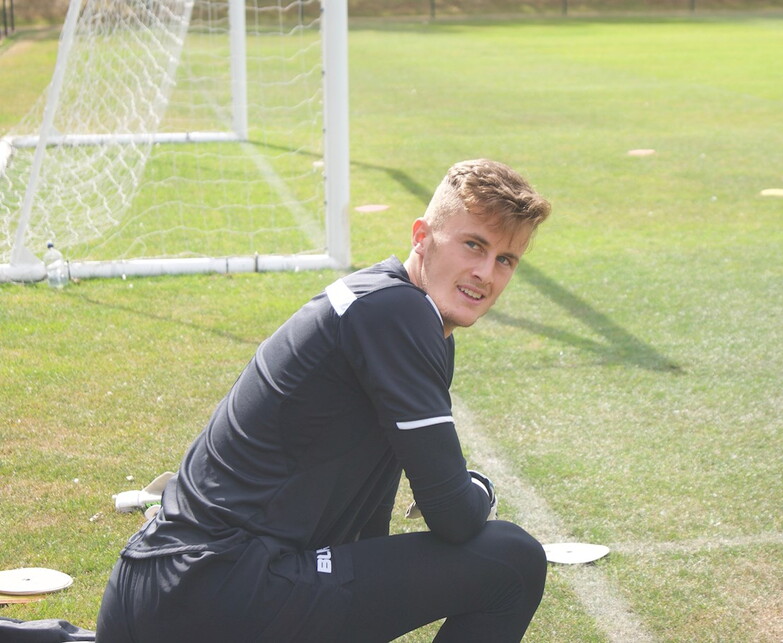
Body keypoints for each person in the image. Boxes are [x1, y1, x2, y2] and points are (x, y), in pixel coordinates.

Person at [96, 159, 552, 642]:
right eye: (474, 245)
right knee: (513, 559)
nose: (485, 273)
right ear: (421, 236)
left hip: (163, 590)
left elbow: (368, 518)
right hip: (215, 588)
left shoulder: (387, 303)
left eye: (505, 260)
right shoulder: (399, 313)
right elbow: (455, 516)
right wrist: (480, 490)